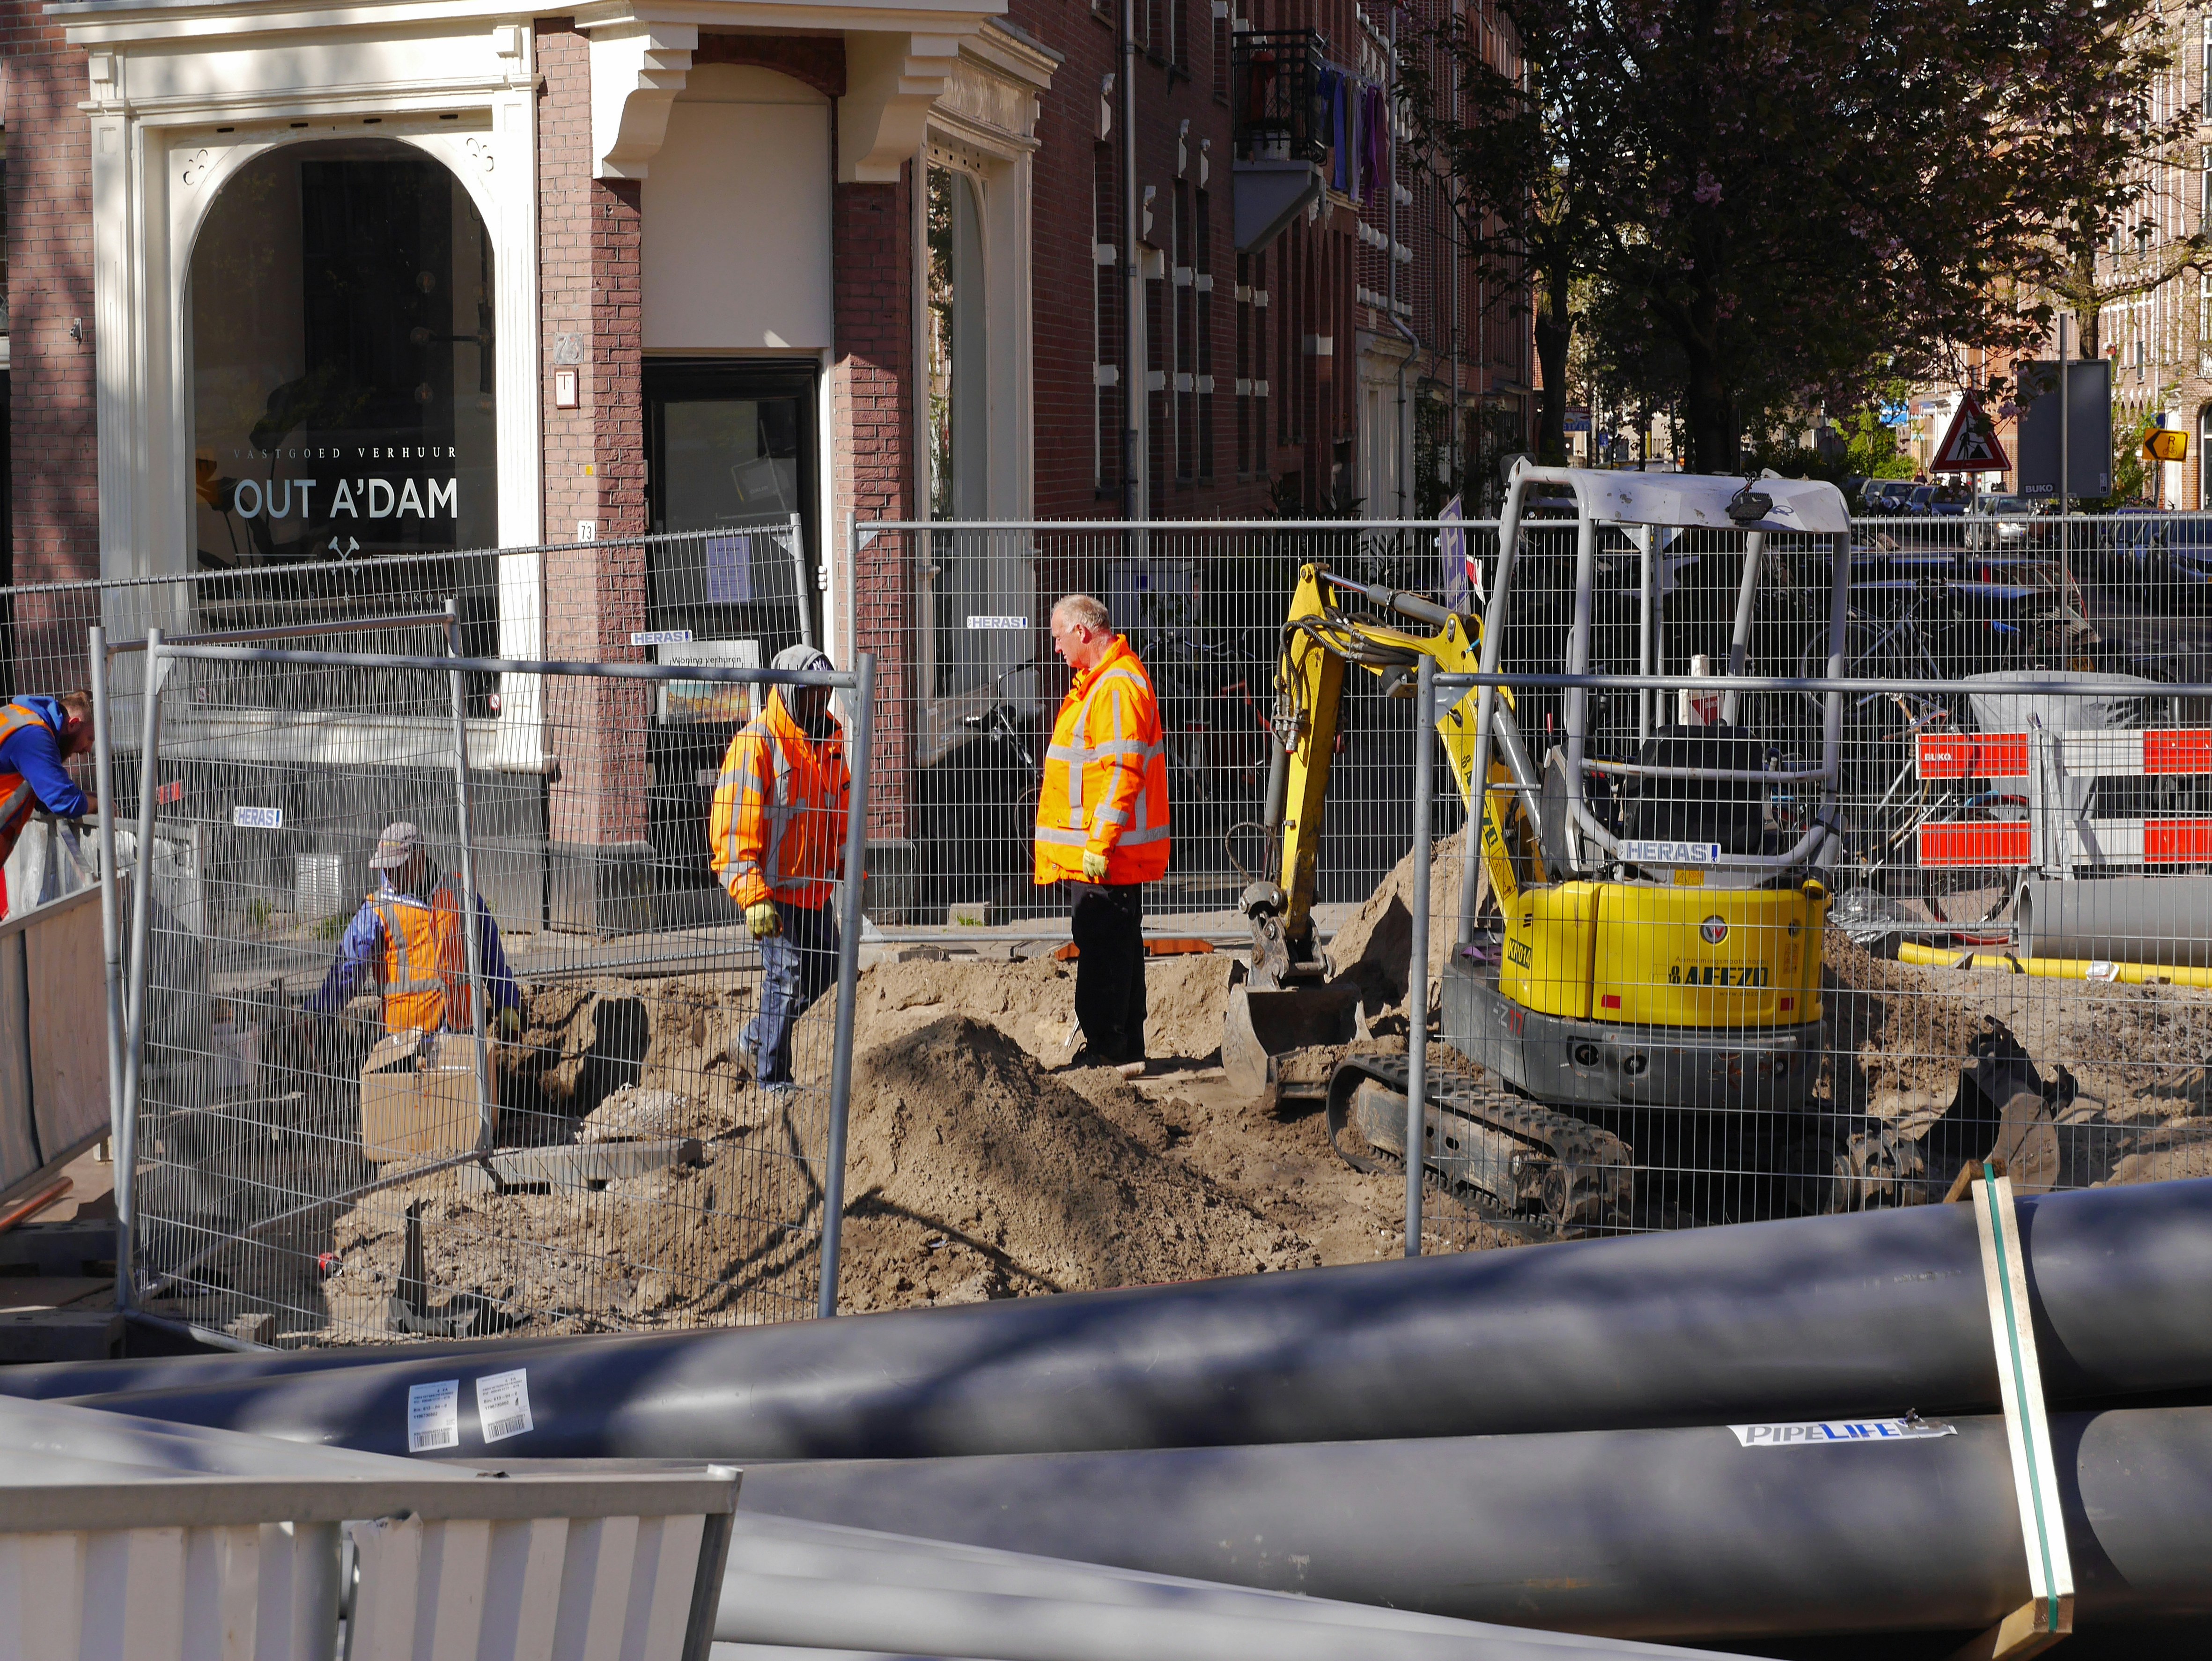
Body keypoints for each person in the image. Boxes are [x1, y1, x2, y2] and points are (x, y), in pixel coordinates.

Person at [1034, 594, 1170, 1077]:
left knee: (1102, 946)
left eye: (1058, 637)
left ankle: (1108, 1051)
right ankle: (1124, 1047)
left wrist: (1098, 844)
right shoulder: (1107, 681)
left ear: (1082, 632)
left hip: (1105, 855)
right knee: (1117, 945)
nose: (1056, 648)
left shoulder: (1113, 686)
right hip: (1110, 853)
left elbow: (1122, 773)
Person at [711, 644, 851, 1088]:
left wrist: (850, 870)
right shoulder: (757, 743)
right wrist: (752, 896)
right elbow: (732, 827)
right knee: (786, 978)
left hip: (814, 890)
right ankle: (772, 1079)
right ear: (790, 692)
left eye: (825, 692)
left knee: (827, 976)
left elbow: (841, 813)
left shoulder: (827, 743)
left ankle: (754, 1040)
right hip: (773, 893)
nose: (820, 700)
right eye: (811, 692)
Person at [303, 821, 521, 1041]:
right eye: (386, 866)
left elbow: (490, 952)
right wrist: (316, 1012)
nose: (391, 873)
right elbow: (347, 970)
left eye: (398, 866)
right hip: (400, 1040)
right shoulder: (376, 911)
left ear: (420, 855)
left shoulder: (459, 894)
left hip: (460, 1032)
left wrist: (506, 1003)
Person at [0, 690, 98, 921]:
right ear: (74, 724)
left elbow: (44, 798)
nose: (88, 750)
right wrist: (97, 804)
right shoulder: (33, 735)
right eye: (90, 738)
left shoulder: (19, 718)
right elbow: (62, 800)